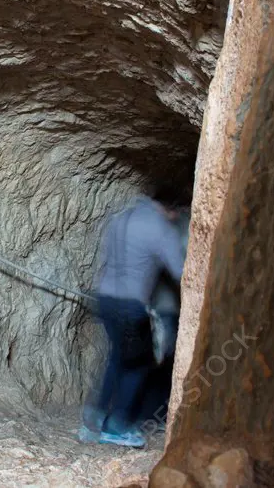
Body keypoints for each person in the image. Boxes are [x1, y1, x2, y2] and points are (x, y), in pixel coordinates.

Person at [79, 191, 187, 448]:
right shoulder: (160, 226)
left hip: (106, 299)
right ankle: (117, 426)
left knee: (117, 358)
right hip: (131, 304)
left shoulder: (121, 217)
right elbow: (182, 270)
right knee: (139, 363)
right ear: (170, 209)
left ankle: (93, 422)